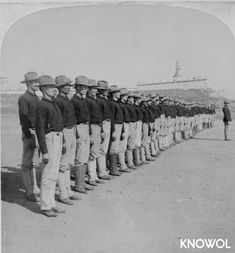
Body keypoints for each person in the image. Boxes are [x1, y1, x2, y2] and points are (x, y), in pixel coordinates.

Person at [35, 75, 64, 217]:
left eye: (54, 87)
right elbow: (40, 130)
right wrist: (44, 151)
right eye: (51, 87)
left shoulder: (53, 103)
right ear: (43, 89)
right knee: (47, 174)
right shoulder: (41, 105)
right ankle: (45, 206)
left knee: (54, 174)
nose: (54, 89)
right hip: (49, 139)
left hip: (58, 138)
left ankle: (51, 203)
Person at [54, 75, 81, 205]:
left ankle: (68, 191)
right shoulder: (58, 100)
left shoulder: (66, 99)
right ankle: (62, 194)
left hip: (72, 130)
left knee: (69, 163)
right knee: (62, 165)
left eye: (69, 85)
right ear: (59, 87)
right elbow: (58, 122)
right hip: (64, 131)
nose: (68, 87)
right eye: (65, 86)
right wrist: (63, 139)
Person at [18, 72, 41, 202]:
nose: (37, 84)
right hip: (29, 132)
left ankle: (35, 187)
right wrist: (28, 135)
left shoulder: (36, 97)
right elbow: (24, 119)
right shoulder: (24, 98)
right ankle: (29, 191)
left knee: (34, 162)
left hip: (37, 132)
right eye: (34, 82)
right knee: (27, 163)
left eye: (37, 81)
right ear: (28, 83)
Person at [70, 76, 94, 193]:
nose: (85, 89)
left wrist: (89, 132)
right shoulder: (73, 101)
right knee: (80, 157)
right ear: (77, 87)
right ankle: (79, 184)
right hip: (79, 128)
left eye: (86, 87)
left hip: (85, 127)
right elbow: (73, 119)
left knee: (85, 157)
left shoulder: (83, 100)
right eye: (83, 87)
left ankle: (82, 182)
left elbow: (87, 118)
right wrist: (77, 135)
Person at [85, 79, 104, 186]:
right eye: (93, 89)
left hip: (97, 126)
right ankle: (91, 176)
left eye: (96, 89)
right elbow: (88, 118)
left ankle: (94, 174)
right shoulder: (88, 101)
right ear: (88, 90)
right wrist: (91, 133)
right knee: (91, 152)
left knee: (95, 151)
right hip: (91, 127)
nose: (95, 91)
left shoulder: (95, 100)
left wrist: (101, 129)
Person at [96, 80, 112, 180]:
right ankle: (101, 171)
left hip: (108, 123)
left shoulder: (104, 99)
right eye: (104, 90)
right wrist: (102, 129)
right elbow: (100, 116)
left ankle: (103, 169)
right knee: (102, 148)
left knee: (104, 148)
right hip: (103, 124)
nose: (106, 91)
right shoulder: (99, 100)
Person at [108, 85, 123, 176]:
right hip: (115, 126)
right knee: (113, 148)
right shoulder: (112, 103)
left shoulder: (116, 103)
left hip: (119, 125)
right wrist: (113, 130)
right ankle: (113, 169)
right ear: (113, 93)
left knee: (116, 147)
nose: (119, 94)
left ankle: (114, 167)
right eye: (118, 92)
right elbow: (112, 118)